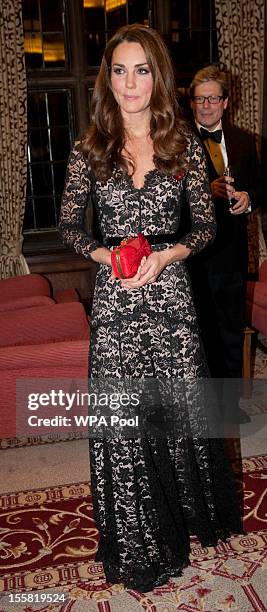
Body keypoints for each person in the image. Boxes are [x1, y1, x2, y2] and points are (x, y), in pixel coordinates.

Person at [59, 25, 242, 593]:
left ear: (157, 76)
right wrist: (103, 254)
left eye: (141, 70)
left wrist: (168, 256)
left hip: (170, 298)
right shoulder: (90, 148)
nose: (130, 82)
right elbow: (67, 226)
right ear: (106, 79)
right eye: (119, 69)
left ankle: (185, 520)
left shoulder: (182, 144)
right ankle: (140, 541)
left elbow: (207, 225)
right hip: (117, 304)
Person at [187, 65, 262, 424]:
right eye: (199, 99)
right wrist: (205, 191)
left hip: (231, 254)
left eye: (212, 98)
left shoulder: (247, 141)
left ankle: (230, 408)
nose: (205, 106)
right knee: (199, 334)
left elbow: (264, 187)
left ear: (225, 102)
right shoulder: (177, 141)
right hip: (192, 258)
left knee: (231, 332)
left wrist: (249, 197)